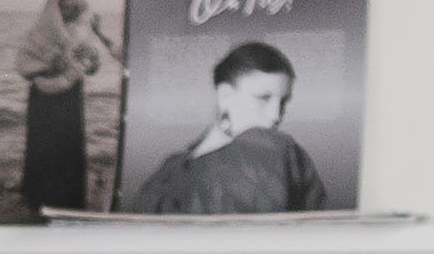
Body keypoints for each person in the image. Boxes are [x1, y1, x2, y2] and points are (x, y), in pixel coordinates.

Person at [128, 37, 334, 217]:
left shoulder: (280, 150)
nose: (276, 115)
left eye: (283, 102)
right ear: (225, 96)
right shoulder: (172, 166)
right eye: (263, 98)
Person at [13, 0, 117, 212]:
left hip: (70, 97)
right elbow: (23, 67)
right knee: (42, 146)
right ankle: (38, 197)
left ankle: (68, 199)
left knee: (68, 144)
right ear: (55, 9)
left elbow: (93, 68)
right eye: (65, 7)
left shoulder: (81, 33)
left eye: (74, 7)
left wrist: (89, 60)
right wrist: (51, 66)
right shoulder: (39, 34)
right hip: (43, 99)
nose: (70, 11)